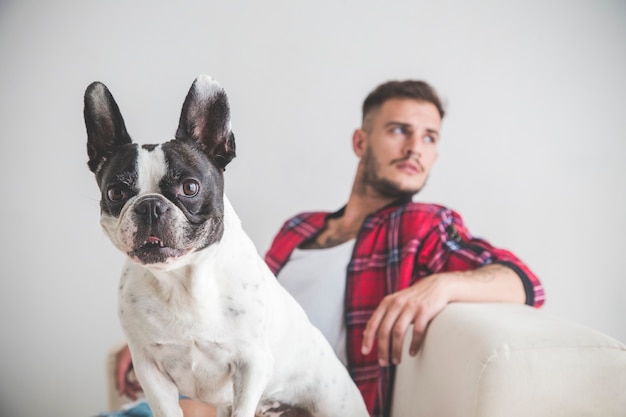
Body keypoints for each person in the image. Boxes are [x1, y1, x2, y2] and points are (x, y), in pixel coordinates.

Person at [111, 79, 545, 417]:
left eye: (430, 137)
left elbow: (523, 283)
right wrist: (157, 341)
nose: (415, 147)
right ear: (361, 142)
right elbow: (239, 321)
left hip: (327, 400)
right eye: (399, 130)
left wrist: (439, 288)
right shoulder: (300, 229)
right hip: (240, 395)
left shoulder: (424, 226)